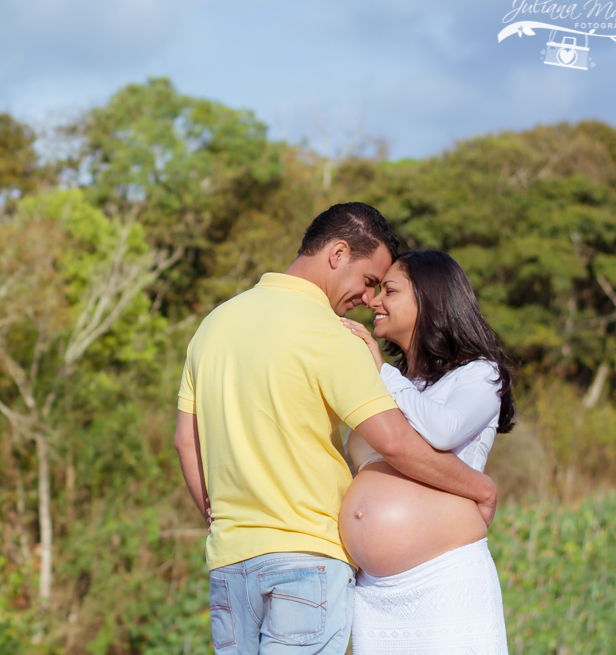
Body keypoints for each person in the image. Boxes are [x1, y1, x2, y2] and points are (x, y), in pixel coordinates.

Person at [174, 203, 497, 655]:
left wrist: (216, 517)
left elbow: (186, 441)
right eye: (368, 281)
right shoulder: (329, 335)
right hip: (305, 561)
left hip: (231, 563)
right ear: (338, 252)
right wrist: (480, 489)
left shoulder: (212, 325)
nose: (368, 300)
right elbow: (395, 443)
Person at [338, 249, 515, 654]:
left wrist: (382, 371)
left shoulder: (480, 374)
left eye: (390, 290)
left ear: (431, 299)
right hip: (374, 593)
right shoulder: (394, 383)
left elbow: (442, 430)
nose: (374, 301)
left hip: (443, 579)